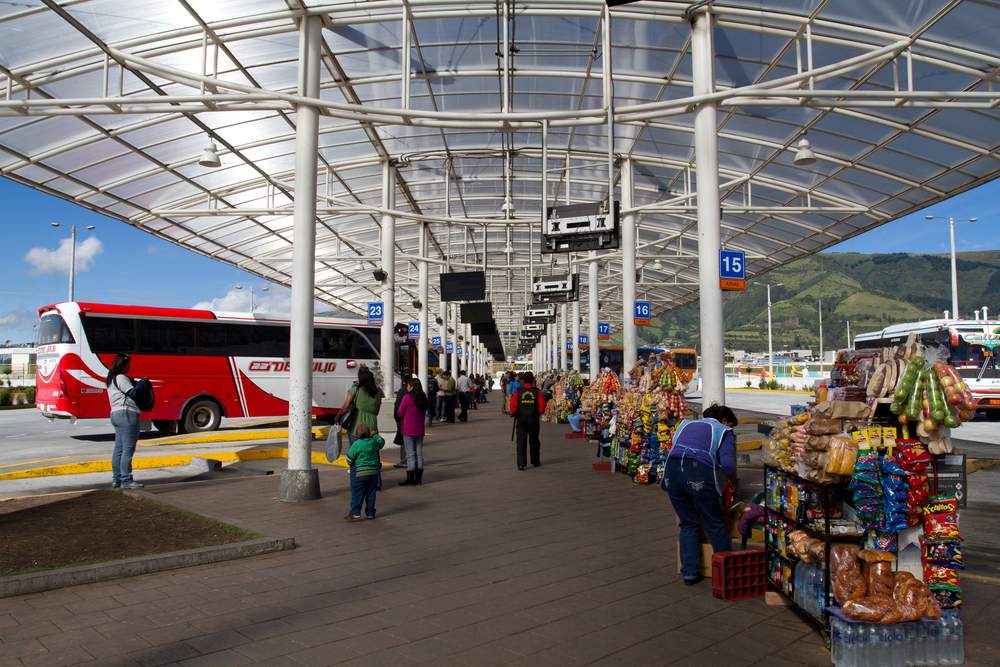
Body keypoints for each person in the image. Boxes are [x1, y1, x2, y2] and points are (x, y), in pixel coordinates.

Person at [665, 403, 738, 585]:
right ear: (724, 420)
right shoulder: (723, 430)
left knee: (688, 523)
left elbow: (674, 449)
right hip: (698, 473)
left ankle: (689, 573)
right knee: (714, 523)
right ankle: (725, 574)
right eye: (729, 423)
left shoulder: (685, 425)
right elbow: (728, 465)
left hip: (671, 473)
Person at [105, 353, 144, 489]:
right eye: (128, 365)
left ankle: (117, 479)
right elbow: (133, 393)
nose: (129, 367)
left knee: (119, 449)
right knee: (128, 449)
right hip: (127, 413)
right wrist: (142, 384)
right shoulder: (121, 377)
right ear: (124, 364)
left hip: (115, 414)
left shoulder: (110, 379)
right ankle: (126, 480)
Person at [345, 423, 385, 521]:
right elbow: (381, 442)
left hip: (360, 473)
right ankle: (370, 513)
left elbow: (349, 458)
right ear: (368, 434)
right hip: (373, 473)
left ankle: (355, 513)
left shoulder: (357, 444)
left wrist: (352, 464)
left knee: (358, 493)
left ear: (357, 435)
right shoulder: (373, 442)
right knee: (371, 493)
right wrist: (375, 435)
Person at [510, 371, 546, 470]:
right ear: (533, 380)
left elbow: (513, 405)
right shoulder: (537, 391)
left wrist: (513, 413)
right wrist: (538, 413)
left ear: (523, 380)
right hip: (533, 419)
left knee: (521, 441)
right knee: (534, 440)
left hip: (521, 419)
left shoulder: (518, 390)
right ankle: (535, 461)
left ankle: (521, 464)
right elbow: (542, 405)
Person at [396, 377, 428, 486]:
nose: (407, 387)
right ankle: (419, 479)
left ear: (412, 386)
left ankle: (410, 478)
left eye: (408, 385)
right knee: (419, 453)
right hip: (420, 429)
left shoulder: (407, 398)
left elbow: (400, 413)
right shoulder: (423, 398)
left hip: (409, 429)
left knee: (410, 454)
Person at [339, 367, 383, 443]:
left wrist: (337, 418)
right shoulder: (378, 393)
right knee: (371, 453)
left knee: (355, 452)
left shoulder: (356, 390)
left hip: (356, 428)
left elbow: (345, 407)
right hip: (372, 429)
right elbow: (377, 412)